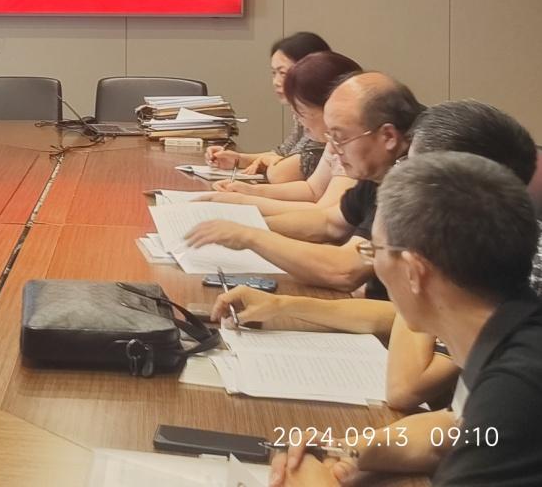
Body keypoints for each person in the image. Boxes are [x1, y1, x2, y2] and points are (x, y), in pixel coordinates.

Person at [213, 99, 540, 412]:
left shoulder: (508, 265)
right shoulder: (468, 243)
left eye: (410, 165)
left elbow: (405, 387)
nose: (399, 171)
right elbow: (395, 306)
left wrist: (411, 266)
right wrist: (284, 306)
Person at [269, 152, 542, 486]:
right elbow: (450, 429)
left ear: (414, 271)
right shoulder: (511, 328)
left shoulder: (517, 388)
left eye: (375, 251)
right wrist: (346, 450)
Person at [186, 72, 423, 295]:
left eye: (340, 138)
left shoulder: (415, 185)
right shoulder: (378, 170)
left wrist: (250, 236)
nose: (333, 150)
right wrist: (237, 227)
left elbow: (346, 268)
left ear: (388, 136)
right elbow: (329, 222)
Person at [206, 51, 360, 215]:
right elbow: (312, 190)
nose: (297, 119)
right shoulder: (334, 142)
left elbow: (324, 215)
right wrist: (249, 191)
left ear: (331, 106)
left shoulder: (355, 147)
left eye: (302, 112)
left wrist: (243, 201)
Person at [205, 31, 331, 183]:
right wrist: (237, 159)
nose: (276, 82)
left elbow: (283, 172)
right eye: (273, 73)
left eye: (283, 73)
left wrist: (270, 163)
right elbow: (283, 154)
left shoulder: (325, 116)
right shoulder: (302, 113)